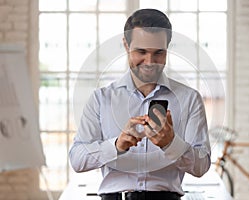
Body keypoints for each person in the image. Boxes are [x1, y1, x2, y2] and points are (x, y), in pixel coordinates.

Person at [69, 8, 211, 200]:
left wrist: (171, 144)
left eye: (158, 53)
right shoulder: (101, 99)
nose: (149, 61)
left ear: (168, 48)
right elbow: (77, 159)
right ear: (126, 45)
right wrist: (117, 145)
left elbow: (202, 166)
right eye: (141, 51)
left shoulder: (189, 99)